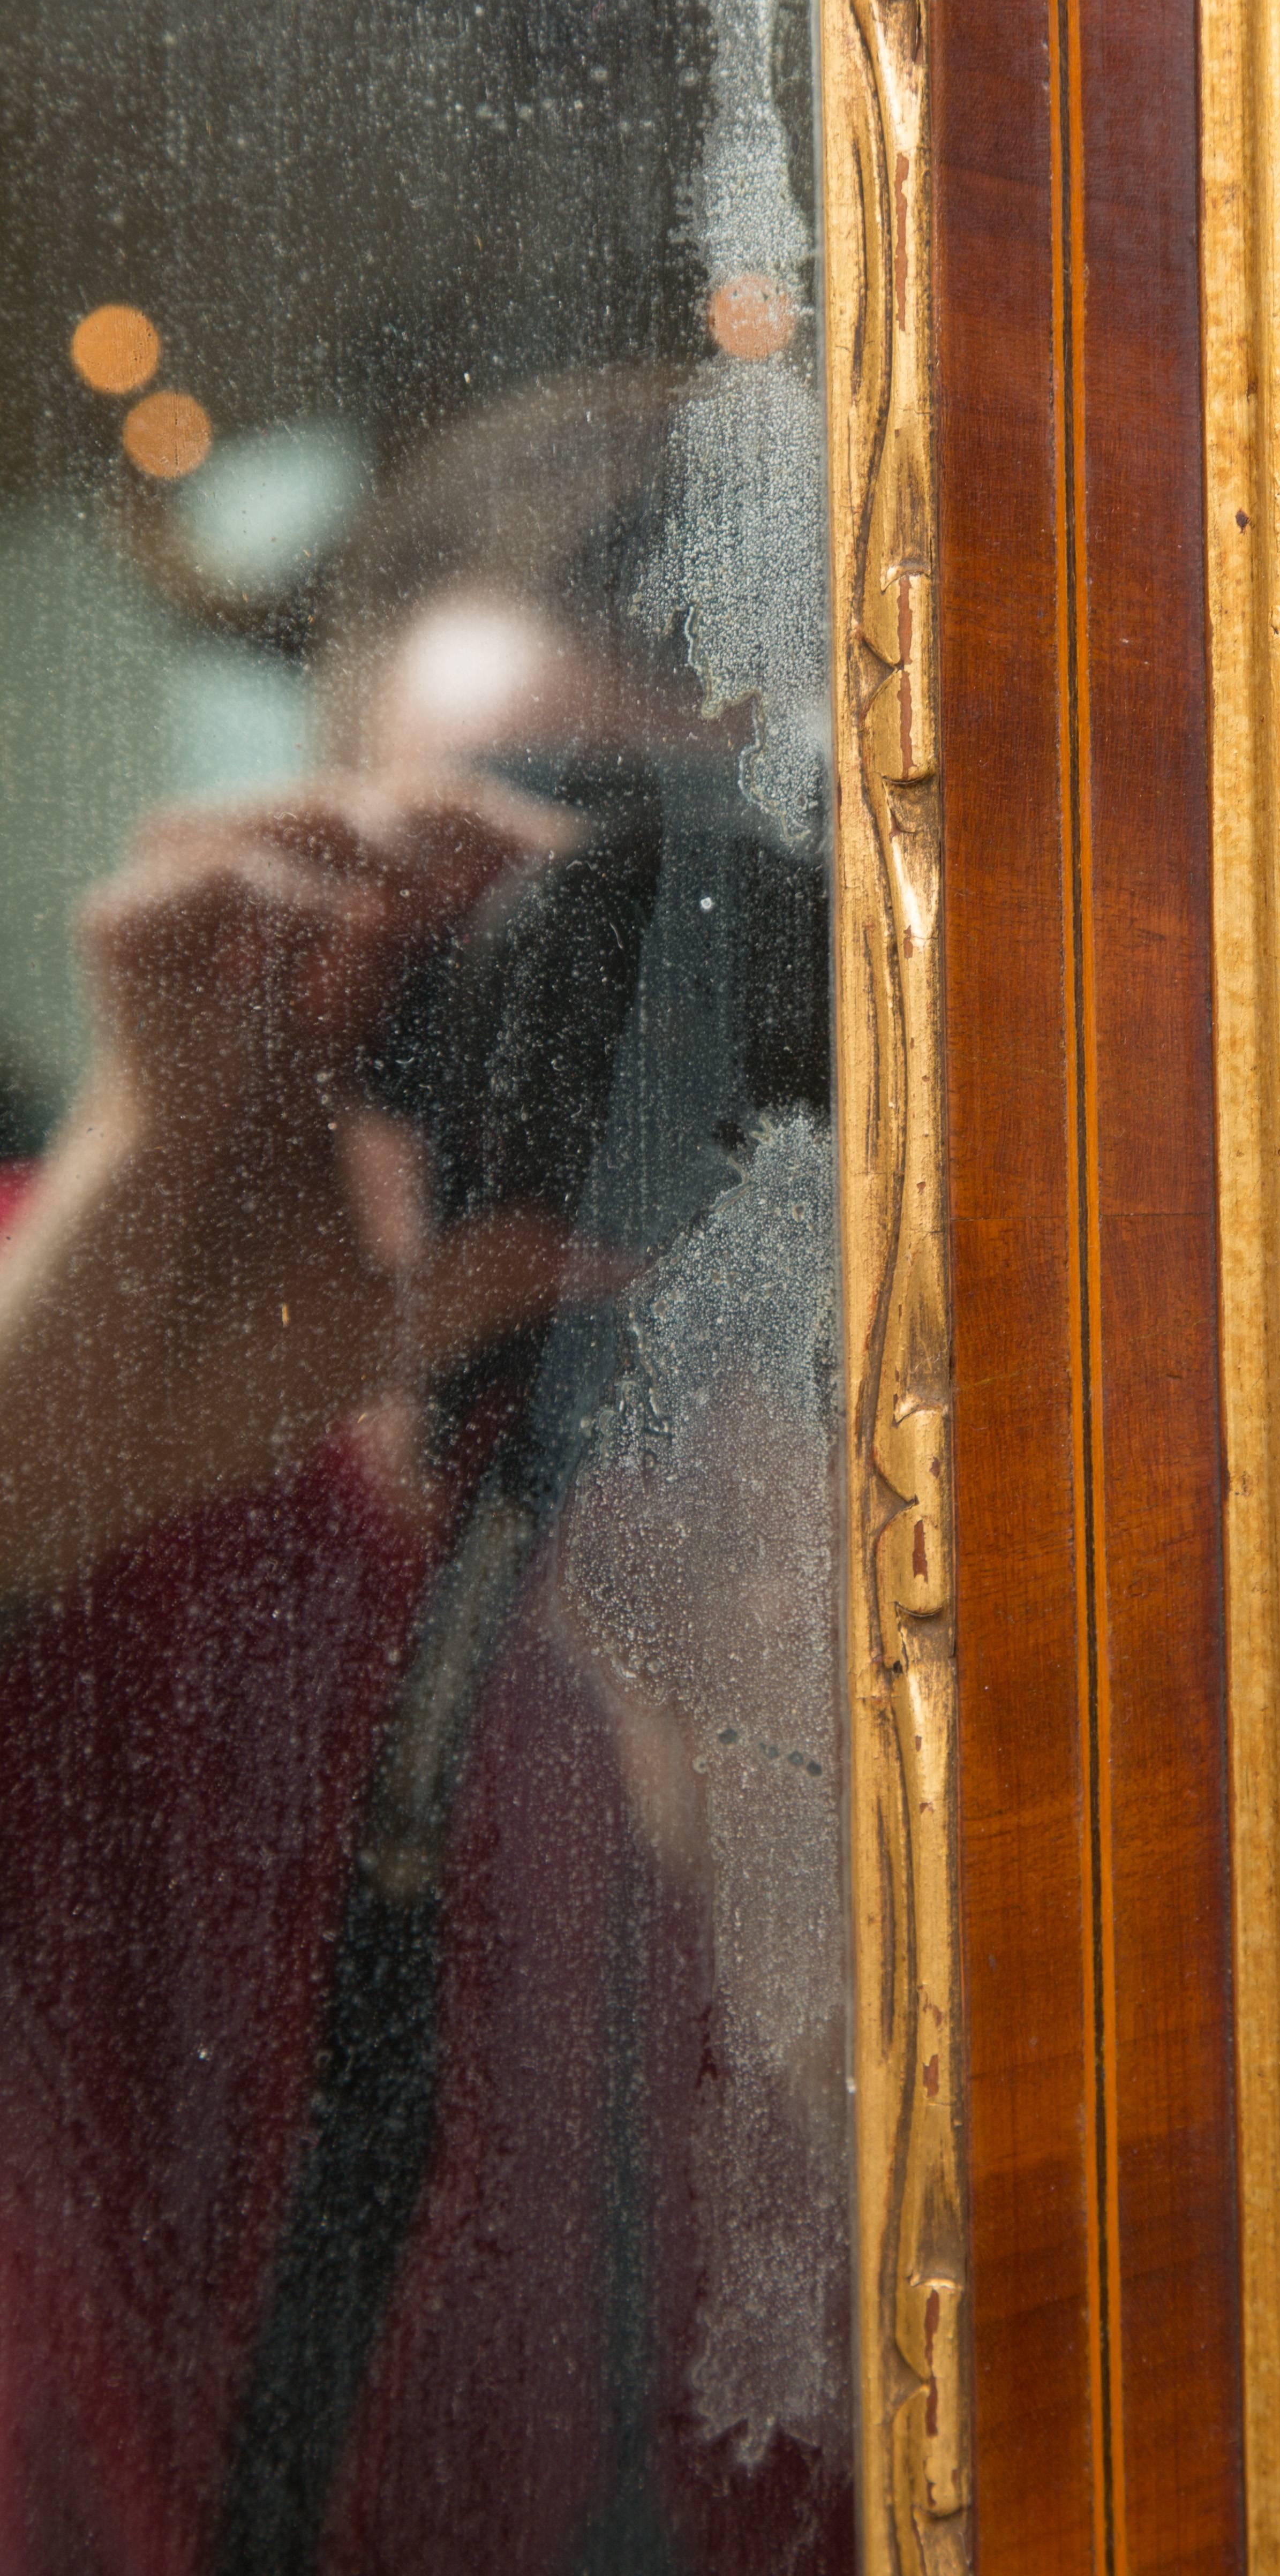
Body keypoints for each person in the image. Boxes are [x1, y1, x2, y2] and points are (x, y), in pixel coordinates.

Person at [0, 374, 852, 2575]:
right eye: (516, 862)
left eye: (700, 901)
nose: (600, 996)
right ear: (333, 845)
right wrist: (79, 1354)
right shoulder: (68, 1318)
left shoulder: (915, 1494)